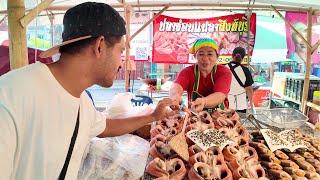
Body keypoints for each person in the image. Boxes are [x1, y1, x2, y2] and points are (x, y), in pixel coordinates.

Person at [0, 2, 179, 180]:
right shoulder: (11, 95)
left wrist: (153, 116)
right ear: (100, 45)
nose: (121, 62)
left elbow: (105, 127)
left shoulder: (82, 100)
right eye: (120, 51)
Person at [169, 38, 232, 113]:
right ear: (195, 56)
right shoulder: (187, 72)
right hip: (194, 117)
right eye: (201, 54)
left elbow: (220, 95)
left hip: (220, 117)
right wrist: (175, 95)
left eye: (210, 54)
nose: (205, 58)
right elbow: (176, 86)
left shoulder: (223, 72)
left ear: (217, 56)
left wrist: (204, 101)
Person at [226, 47, 254, 113]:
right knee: (240, 121)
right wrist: (251, 103)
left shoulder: (224, 68)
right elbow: (249, 89)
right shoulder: (245, 70)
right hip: (241, 103)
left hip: (227, 102)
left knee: (227, 122)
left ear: (232, 55)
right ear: (243, 57)